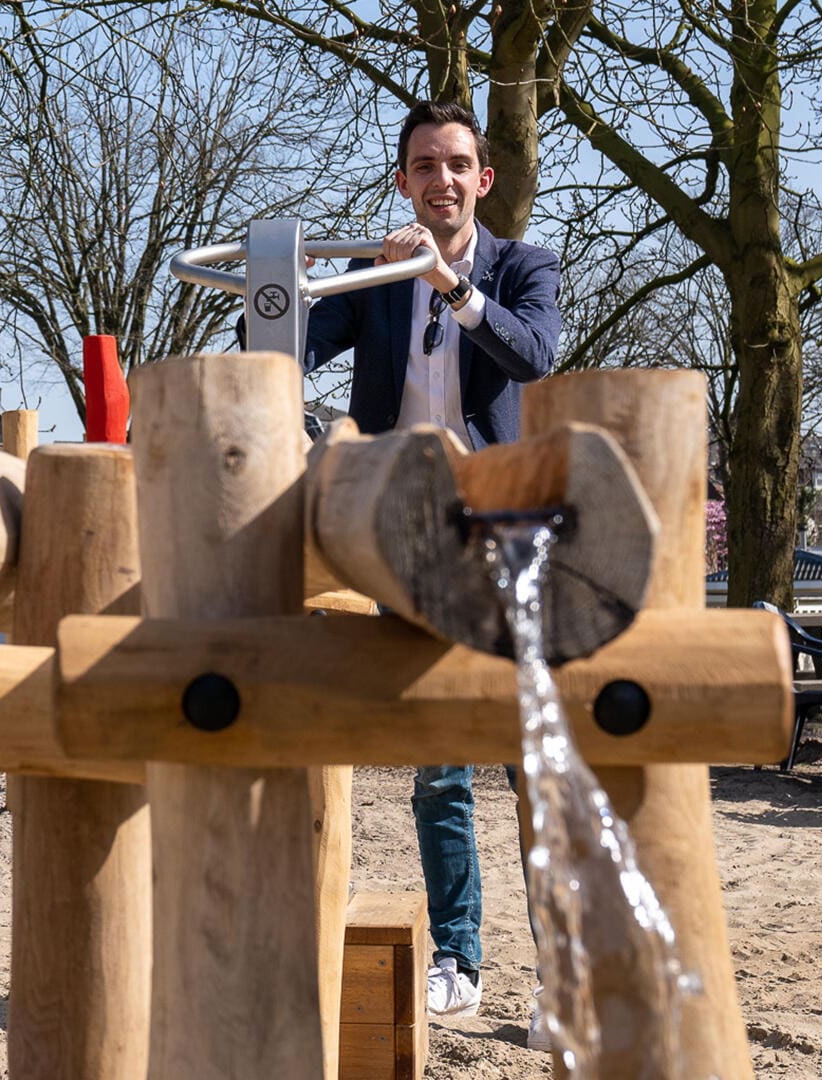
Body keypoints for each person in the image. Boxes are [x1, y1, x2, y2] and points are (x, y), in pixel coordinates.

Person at [301, 100, 561, 1048]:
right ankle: (456, 955)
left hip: (508, 532)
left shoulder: (523, 265)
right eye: (423, 166)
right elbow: (287, 350)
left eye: (457, 164)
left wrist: (451, 285)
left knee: (535, 761)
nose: (441, 180)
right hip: (406, 537)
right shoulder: (383, 277)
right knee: (439, 764)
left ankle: (562, 969)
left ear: (482, 182)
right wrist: (299, 286)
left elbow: (533, 351)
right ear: (403, 180)